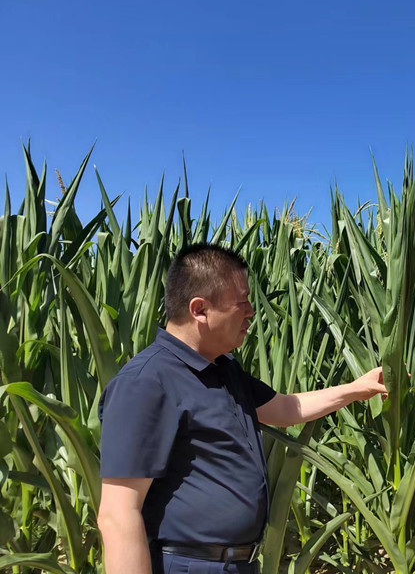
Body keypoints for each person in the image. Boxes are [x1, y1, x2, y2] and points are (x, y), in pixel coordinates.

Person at [97, 243, 386, 574]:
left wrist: (357, 388)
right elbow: (118, 514)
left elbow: (285, 408)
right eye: (242, 303)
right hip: (189, 565)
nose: (251, 312)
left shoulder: (221, 368)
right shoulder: (147, 383)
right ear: (199, 309)